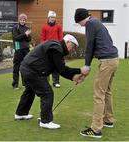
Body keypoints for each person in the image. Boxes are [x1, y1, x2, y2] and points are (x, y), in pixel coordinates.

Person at [14, 34, 88, 129]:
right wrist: (80, 70)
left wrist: (73, 77)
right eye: (72, 46)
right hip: (32, 70)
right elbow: (62, 69)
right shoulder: (56, 48)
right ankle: (45, 121)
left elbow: (59, 69)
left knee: (30, 90)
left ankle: (21, 113)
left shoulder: (56, 47)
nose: (72, 49)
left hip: (28, 68)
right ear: (67, 42)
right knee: (47, 93)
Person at [74, 8, 119, 138]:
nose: (80, 25)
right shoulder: (96, 22)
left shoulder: (90, 24)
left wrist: (87, 65)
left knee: (98, 93)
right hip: (114, 60)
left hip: (107, 61)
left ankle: (96, 129)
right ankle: (108, 120)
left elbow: (89, 46)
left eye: (78, 22)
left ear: (81, 19)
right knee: (107, 91)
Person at [40, 10, 63, 88]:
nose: (52, 19)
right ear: (48, 18)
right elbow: (42, 38)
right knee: (46, 66)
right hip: (47, 48)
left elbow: (60, 37)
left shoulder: (59, 26)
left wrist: (60, 46)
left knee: (56, 66)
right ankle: (46, 82)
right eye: (51, 17)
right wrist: (43, 47)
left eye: (53, 17)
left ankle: (56, 82)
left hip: (56, 48)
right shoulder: (44, 27)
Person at [12, 13, 31, 89]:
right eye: (21, 19)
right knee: (16, 67)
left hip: (26, 49)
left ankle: (25, 83)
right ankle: (15, 84)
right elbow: (16, 38)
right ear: (19, 20)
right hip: (18, 49)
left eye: (24, 20)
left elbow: (28, 39)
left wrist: (27, 35)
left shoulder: (27, 28)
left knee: (25, 66)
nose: (22, 21)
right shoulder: (15, 28)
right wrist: (24, 34)